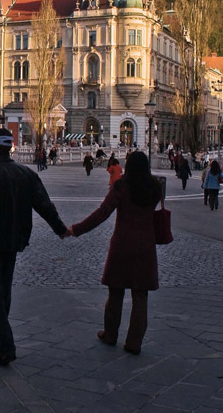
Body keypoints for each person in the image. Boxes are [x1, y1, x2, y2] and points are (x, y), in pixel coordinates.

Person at [0, 128, 68, 366]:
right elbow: (44, 205)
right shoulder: (25, 174)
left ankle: (6, 344)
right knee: (3, 289)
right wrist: (59, 228)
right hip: (13, 241)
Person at [66, 151, 162, 356]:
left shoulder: (121, 186)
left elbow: (102, 213)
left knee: (116, 291)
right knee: (140, 295)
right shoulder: (155, 187)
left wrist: (77, 229)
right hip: (145, 245)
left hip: (123, 244)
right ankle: (134, 342)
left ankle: (110, 334)